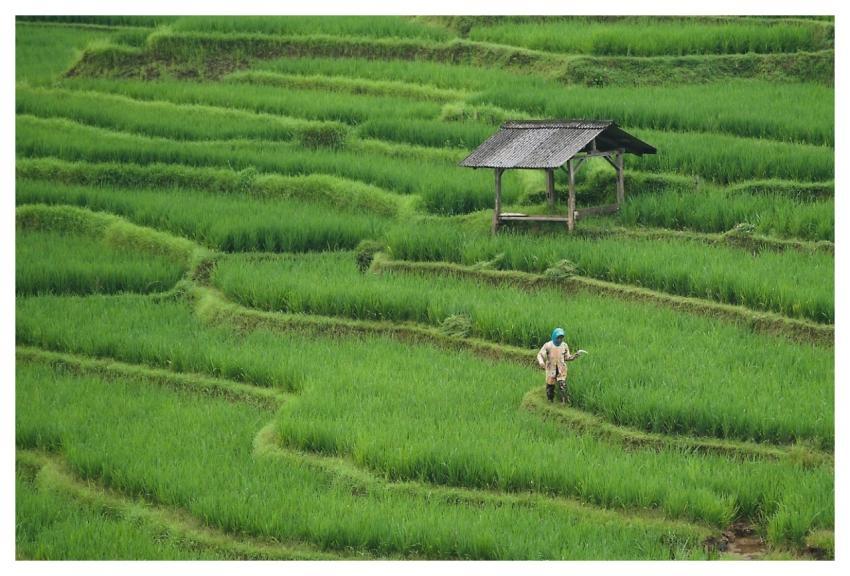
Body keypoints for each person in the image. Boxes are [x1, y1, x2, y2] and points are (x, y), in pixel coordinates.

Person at [536, 327, 583, 404]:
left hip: (561, 369)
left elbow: (567, 357)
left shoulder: (564, 346)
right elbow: (540, 355)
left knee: (562, 385)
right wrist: (541, 362)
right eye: (558, 338)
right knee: (550, 386)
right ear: (554, 337)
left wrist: (575, 355)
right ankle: (550, 401)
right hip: (551, 369)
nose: (560, 340)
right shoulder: (548, 345)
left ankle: (564, 402)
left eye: (561, 338)